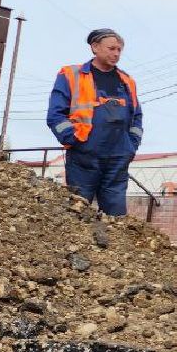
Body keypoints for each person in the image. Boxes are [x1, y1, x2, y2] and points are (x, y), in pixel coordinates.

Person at [47, 28, 142, 216]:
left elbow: (136, 116)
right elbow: (55, 115)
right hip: (84, 156)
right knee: (77, 213)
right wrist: (73, 139)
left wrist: (131, 144)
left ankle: (114, 246)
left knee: (117, 218)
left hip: (118, 157)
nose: (116, 54)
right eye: (111, 48)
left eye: (119, 50)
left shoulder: (127, 81)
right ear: (95, 47)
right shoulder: (70, 75)